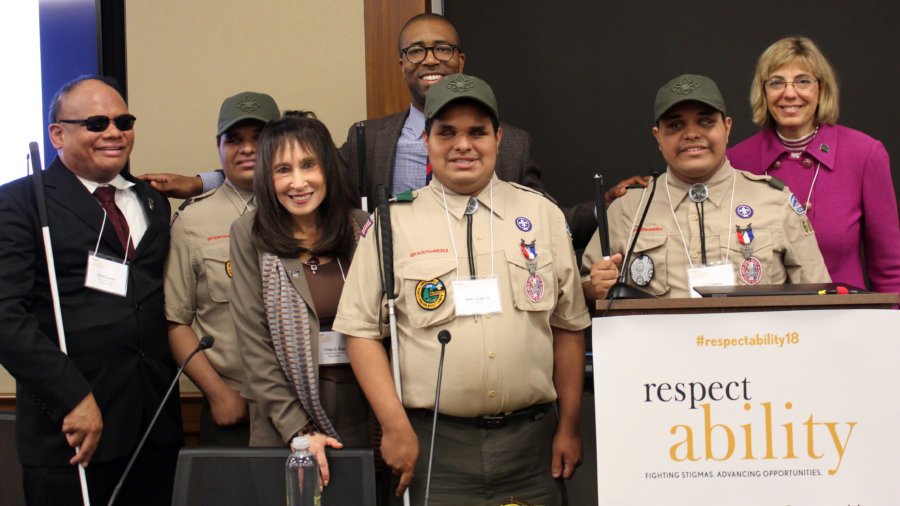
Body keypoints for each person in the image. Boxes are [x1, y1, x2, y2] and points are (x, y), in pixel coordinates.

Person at [137, 13, 639, 248]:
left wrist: (603, 205)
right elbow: (299, 173)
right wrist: (205, 182)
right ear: (401, 64)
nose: (430, 59)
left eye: (442, 48)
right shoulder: (367, 139)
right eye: (415, 50)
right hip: (390, 288)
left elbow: (544, 218)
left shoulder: (509, 140)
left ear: (460, 59)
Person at [334, 73, 590, 505]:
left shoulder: (541, 215)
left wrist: (569, 426)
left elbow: (568, 326)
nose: (463, 145)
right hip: (434, 446)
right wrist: (395, 426)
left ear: (499, 138)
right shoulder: (392, 223)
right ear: (427, 141)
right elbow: (360, 332)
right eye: (446, 132)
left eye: (477, 132)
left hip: (532, 447)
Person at [0, 76, 181, 505]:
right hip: (74, 430)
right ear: (58, 134)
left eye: (124, 120)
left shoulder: (152, 202)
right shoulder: (20, 202)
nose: (114, 132)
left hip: (153, 427)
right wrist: (73, 397)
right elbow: (5, 315)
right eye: (97, 123)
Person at [582, 74, 831, 301]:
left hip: (753, 346)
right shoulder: (629, 209)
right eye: (676, 125)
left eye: (705, 122)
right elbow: (580, 294)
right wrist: (595, 288)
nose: (691, 134)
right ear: (658, 136)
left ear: (727, 127)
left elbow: (820, 296)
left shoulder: (775, 202)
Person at [228, 112, 372, 486]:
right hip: (280, 417)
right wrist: (298, 428)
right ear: (265, 177)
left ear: (327, 167)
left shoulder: (362, 227)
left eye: (308, 165)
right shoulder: (249, 233)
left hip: (359, 406)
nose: (298, 182)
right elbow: (253, 341)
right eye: (283, 170)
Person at [727, 36, 900, 295]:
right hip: (761, 328)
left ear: (822, 89)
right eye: (776, 82)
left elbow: (890, 268)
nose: (789, 93)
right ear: (763, 91)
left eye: (803, 81)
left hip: (844, 322)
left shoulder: (864, 154)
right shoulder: (737, 160)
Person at [164, 92, 280, 446]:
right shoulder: (192, 221)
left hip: (306, 397)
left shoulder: (306, 209)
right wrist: (217, 394)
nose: (247, 149)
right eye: (235, 139)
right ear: (219, 146)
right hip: (235, 402)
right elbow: (176, 320)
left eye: (258, 139)